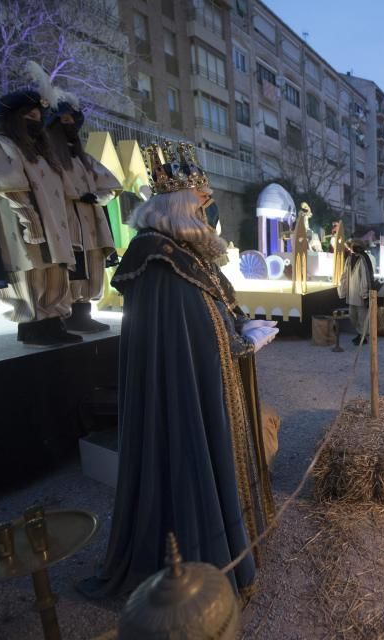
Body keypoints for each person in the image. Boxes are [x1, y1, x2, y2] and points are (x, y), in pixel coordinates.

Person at [78, 142, 276, 598]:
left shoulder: (178, 252)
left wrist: (241, 322)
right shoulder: (160, 259)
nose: (206, 214)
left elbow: (206, 314)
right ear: (181, 206)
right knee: (188, 461)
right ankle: (202, 563)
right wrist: (242, 342)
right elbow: (194, 335)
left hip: (198, 379)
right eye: (201, 203)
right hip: (182, 393)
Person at [0, 87, 79, 345]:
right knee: (30, 271)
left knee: (54, 270)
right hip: (22, 223)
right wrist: (29, 220)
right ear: (15, 118)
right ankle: (33, 325)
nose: (35, 120)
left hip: (53, 225)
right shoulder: (0, 145)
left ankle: (53, 322)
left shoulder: (43, 153)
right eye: (29, 115)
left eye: (38, 115)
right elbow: (7, 185)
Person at [43, 90, 121, 333]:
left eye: (72, 122)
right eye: (63, 122)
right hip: (63, 219)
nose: (69, 127)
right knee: (71, 266)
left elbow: (111, 183)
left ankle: (83, 313)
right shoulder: (46, 158)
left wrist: (97, 197)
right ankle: (67, 314)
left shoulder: (84, 159)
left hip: (89, 218)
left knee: (91, 264)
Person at [338, 239, 375, 344]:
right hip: (351, 294)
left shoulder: (363, 258)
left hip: (360, 295)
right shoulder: (349, 258)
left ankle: (362, 336)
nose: (351, 248)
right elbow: (345, 275)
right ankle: (360, 334)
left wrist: (365, 295)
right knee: (352, 316)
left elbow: (365, 277)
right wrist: (342, 290)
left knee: (362, 317)